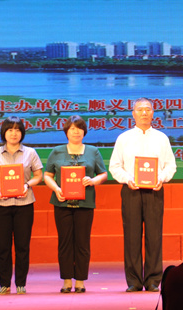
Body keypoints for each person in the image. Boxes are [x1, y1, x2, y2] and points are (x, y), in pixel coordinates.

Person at [109, 98, 177, 292]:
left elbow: (170, 166)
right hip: (131, 190)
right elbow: (115, 166)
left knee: (154, 236)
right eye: (140, 109)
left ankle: (153, 280)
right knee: (132, 236)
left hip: (155, 191)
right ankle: (134, 281)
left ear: (153, 113)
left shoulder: (161, 138)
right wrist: (127, 179)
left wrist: (161, 178)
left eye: (148, 109)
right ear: (133, 114)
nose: (144, 113)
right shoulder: (124, 138)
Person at [44, 115, 108, 294]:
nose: (76, 132)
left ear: (84, 131)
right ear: (66, 131)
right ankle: (66, 280)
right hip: (62, 203)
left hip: (85, 204)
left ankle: (80, 280)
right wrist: (56, 189)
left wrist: (93, 181)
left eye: (79, 128)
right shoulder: (56, 151)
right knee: (65, 242)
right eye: (72, 128)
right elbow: (47, 175)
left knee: (82, 242)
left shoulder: (93, 151)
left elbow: (103, 174)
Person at [0, 116, 43, 295]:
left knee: (22, 246)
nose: (14, 133)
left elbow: (38, 175)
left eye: (17, 130)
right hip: (0, 204)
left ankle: (21, 283)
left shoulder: (30, 153)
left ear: (22, 133)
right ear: (4, 133)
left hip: (24, 204)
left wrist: (27, 185)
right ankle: (4, 284)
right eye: (10, 130)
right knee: (3, 246)